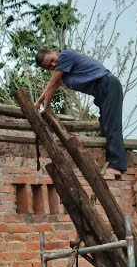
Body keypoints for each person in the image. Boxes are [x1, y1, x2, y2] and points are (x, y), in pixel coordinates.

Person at [33, 48, 126, 179]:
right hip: (101, 93)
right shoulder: (63, 73)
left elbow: (52, 83)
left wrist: (46, 108)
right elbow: (51, 86)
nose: (53, 65)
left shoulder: (65, 56)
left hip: (108, 85)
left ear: (53, 52)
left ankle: (116, 166)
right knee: (105, 128)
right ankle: (109, 160)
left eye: (52, 61)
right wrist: (37, 103)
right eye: (48, 67)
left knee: (112, 125)